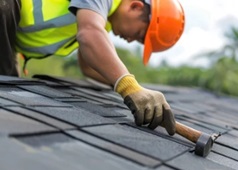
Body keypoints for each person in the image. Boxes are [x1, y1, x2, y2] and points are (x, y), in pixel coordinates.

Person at [0, 0, 185, 135]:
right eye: (138, 34)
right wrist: (130, 88)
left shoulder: (96, 15)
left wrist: (140, 92)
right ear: (136, 6)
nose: (130, 40)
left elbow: (88, 66)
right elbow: (89, 34)